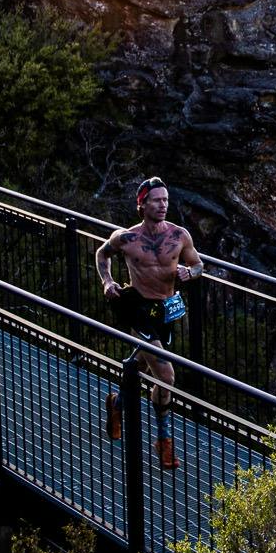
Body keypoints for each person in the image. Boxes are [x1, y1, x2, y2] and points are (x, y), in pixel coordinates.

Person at [95, 176, 203, 470]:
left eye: (166, 200)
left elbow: (198, 264)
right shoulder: (126, 238)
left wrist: (190, 274)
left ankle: (117, 405)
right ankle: (164, 441)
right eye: (156, 200)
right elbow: (101, 254)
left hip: (165, 308)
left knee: (142, 366)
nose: (163, 205)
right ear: (142, 204)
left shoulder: (180, 236)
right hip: (137, 306)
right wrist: (107, 282)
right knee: (166, 375)